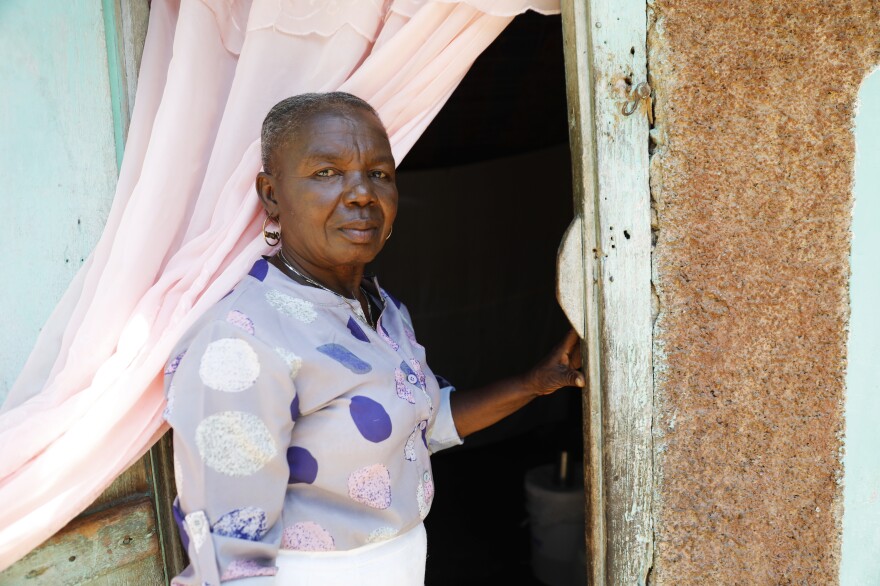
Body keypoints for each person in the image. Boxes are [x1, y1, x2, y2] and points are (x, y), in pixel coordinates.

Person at [163, 92, 584, 585]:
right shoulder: (238, 343)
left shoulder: (380, 309)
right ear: (271, 194)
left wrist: (533, 384)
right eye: (326, 173)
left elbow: (420, 424)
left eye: (379, 174)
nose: (362, 193)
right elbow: (232, 558)